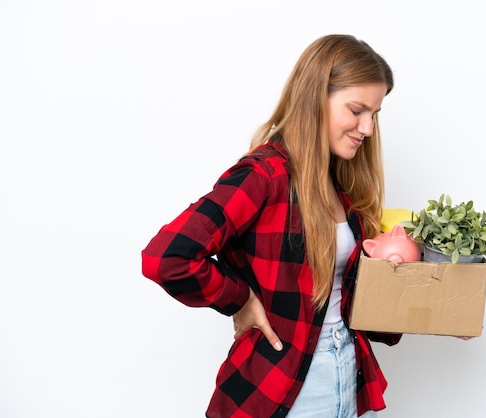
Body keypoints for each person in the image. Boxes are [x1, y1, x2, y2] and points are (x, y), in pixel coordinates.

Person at [141, 34, 402, 418]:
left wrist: (438, 309)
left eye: (375, 114)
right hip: (286, 387)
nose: (367, 127)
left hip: (346, 369)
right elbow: (167, 257)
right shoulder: (263, 176)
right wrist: (240, 299)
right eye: (357, 110)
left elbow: (348, 298)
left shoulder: (342, 183)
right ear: (315, 98)